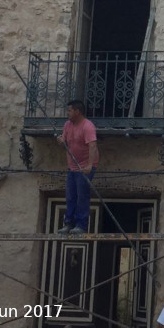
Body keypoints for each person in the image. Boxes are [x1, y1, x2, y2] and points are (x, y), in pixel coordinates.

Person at [56, 99, 98, 234]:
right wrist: (61, 141)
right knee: (70, 195)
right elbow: (65, 141)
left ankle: (81, 225)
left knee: (82, 195)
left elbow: (92, 145)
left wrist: (90, 166)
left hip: (85, 167)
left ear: (77, 112)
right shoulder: (67, 125)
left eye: (69, 110)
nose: (67, 113)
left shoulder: (88, 126)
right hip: (72, 166)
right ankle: (69, 223)